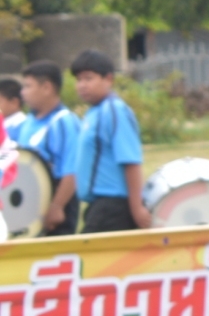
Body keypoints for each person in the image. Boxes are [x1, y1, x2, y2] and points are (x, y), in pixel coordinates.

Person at [70, 49, 150, 233]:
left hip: (113, 207)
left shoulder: (114, 111)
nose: (82, 85)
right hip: (97, 206)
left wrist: (137, 207)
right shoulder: (93, 113)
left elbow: (130, 161)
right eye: (78, 80)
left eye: (88, 78)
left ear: (108, 79)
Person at [14, 61, 79, 234]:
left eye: (28, 86)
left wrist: (56, 207)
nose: (23, 93)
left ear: (47, 88)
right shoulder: (28, 122)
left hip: (54, 203)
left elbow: (72, 171)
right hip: (26, 202)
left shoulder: (64, 122)